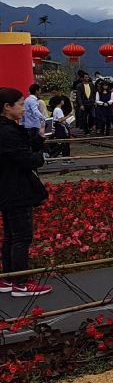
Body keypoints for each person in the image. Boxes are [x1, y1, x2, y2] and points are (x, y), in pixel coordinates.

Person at [0, 86, 52, 296]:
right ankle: (22, 282)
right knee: (21, 236)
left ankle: (8, 278)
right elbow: (26, 159)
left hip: (7, 188)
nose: (23, 108)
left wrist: (39, 139)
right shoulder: (7, 132)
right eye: (20, 104)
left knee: (11, 236)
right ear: (6, 107)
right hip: (16, 189)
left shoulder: (7, 128)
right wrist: (41, 157)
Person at [71, 70, 95, 135]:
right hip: (84, 104)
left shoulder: (92, 85)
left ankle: (90, 126)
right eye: (86, 77)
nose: (87, 78)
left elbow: (94, 94)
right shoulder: (79, 86)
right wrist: (81, 104)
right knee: (84, 118)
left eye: (88, 77)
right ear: (83, 78)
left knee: (93, 116)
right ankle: (86, 130)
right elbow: (79, 96)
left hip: (91, 103)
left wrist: (94, 101)